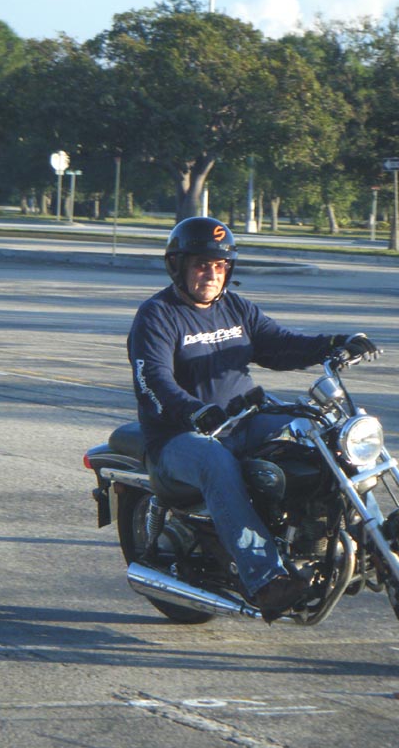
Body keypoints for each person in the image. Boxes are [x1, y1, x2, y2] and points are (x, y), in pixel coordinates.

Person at [126, 216, 378, 621]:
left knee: (320, 435)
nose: (211, 274)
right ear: (178, 266)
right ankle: (266, 580)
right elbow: (152, 379)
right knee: (216, 462)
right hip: (179, 436)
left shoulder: (235, 307)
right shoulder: (157, 315)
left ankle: (363, 538)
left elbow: (280, 344)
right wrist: (193, 410)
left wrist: (336, 343)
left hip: (245, 418)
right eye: (201, 265)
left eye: (220, 265)